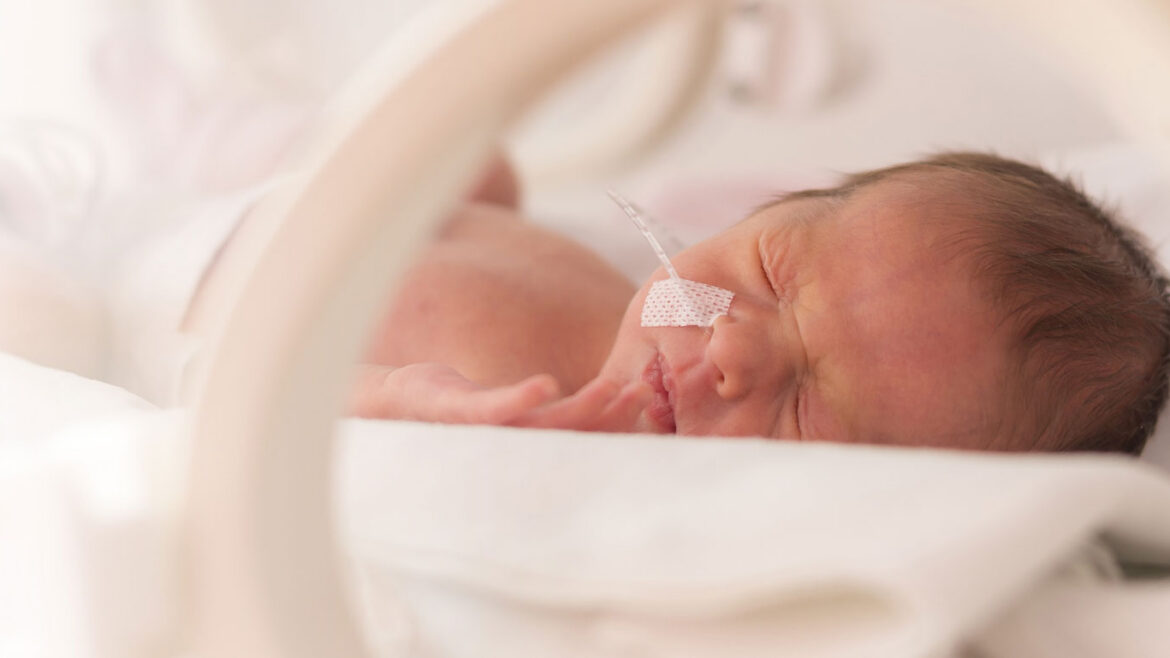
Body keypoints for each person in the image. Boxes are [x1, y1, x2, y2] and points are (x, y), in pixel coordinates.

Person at [198, 151, 1170, 453]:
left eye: (806, 408)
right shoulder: (636, 288)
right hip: (283, 195)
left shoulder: (527, 421)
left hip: (191, 295)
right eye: (773, 274)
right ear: (766, 211)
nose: (734, 344)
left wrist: (406, 401)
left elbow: (244, 411)